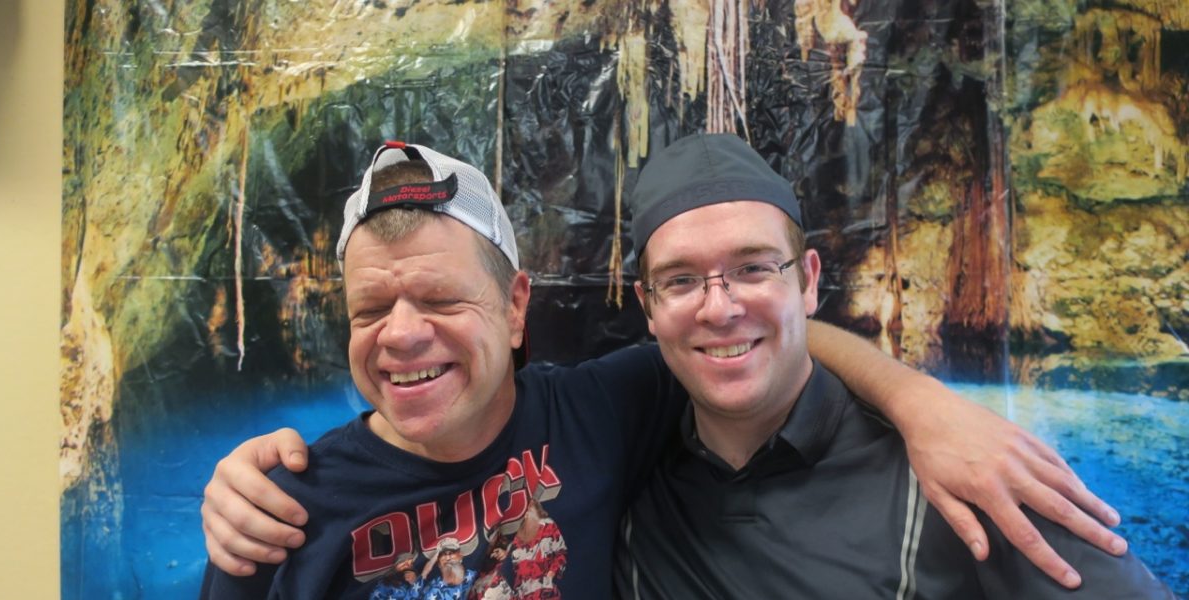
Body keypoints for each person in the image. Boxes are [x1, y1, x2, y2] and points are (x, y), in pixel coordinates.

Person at [199, 140, 1126, 599]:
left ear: (516, 308)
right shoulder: (280, 509)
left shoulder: (606, 408)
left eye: (441, 301)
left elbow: (761, 341)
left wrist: (924, 403)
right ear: (650, 304)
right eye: (370, 311)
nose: (402, 336)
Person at [611, 133, 1173, 598]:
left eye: (753, 268)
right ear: (648, 306)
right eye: (680, 280)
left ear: (808, 281)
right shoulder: (621, 470)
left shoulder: (960, 471)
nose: (719, 308)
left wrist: (916, 399)